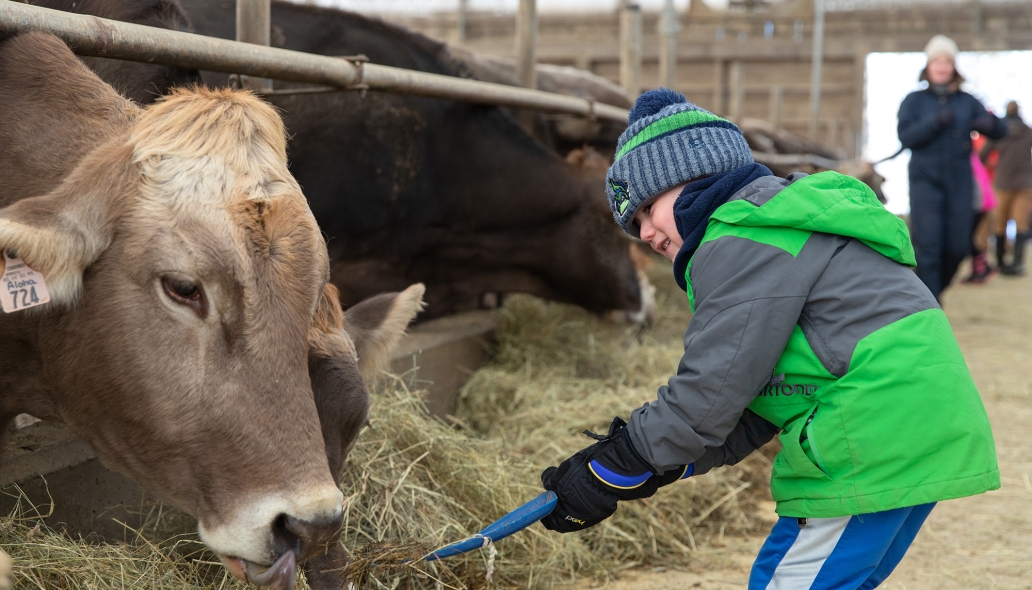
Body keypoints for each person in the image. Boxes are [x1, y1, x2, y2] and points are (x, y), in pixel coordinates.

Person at [539, 88, 999, 589]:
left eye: (648, 208)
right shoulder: (780, 225)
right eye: (634, 225)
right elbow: (756, 401)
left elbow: (708, 393)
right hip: (909, 420)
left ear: (695, 175)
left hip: (868, 430)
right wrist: (660, 465)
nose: (645, 233)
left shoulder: (740, 239)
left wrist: (618, 462)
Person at [897, 35, 1006, 302]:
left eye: (947, 61)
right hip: (925, 180)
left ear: (954, 67)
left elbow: (1000, 130)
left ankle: (933, 294)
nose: (942, 67)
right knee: (929, 247)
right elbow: (906, 137)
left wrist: (990, 123)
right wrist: (936, 122)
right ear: (928, 66)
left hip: (959, 180)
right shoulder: (914, 101)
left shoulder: (967, 101)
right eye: (937, 61)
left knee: (957, 247)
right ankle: (930, 307)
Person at [980, 101, 1032, 276]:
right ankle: (1017, 264)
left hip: (1002, 182)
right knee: (1021, 224)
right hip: (1025, 183)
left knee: (1000, 223)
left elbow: (983, 154)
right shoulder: (1028, 131)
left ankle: (1001, 263)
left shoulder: (999, 132)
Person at [962, 147, 997, 283]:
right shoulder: (970, 157)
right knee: (968, 238)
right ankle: (983, 267)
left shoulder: (965, 157)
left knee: (966, 239)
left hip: (977, 203)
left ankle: (982, 268)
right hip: (980, 201)